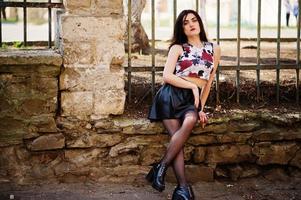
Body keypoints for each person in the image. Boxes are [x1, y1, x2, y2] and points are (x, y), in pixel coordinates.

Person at [146, 9, 221, 200]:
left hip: (191, 101)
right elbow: (167, 76)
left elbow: (209, 81)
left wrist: (201, 108)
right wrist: (192, 87)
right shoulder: (178, 48)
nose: (191, 24)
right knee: (177, 140)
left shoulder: (214, 48)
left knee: (189, 122)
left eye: (194, 20)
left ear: (200, 23)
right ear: (182, 28)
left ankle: (160, 167)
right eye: (185, 23)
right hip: (170, 96)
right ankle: (183, 188)